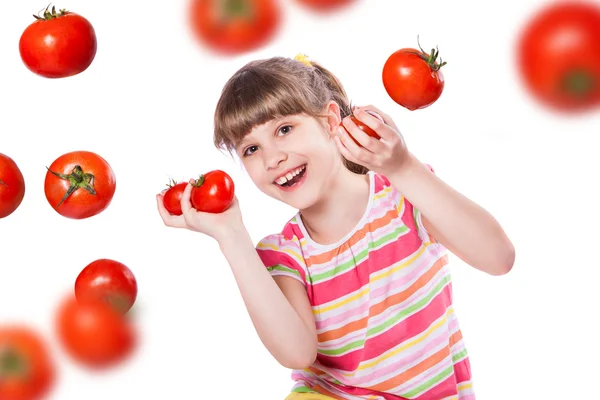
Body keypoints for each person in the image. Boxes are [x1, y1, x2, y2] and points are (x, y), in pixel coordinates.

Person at [156, 54, 515, 400]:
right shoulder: (283, 254)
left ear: (330, 121)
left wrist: (403, 167)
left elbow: (498, 258)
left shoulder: (404, 197)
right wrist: (231, 236)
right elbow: (297, 353)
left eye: (284, 129)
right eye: (250, 149)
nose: (272, 158)